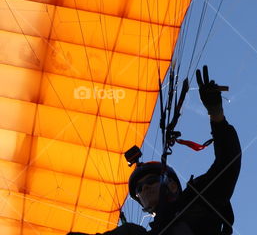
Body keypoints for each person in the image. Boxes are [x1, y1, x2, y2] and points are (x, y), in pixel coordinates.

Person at [70, 66, 240, 235]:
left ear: (172, 185)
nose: (144, 189)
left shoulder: (201, 198)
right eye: (139, 190)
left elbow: (228, 161)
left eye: (151, 181)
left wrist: (216, 114)